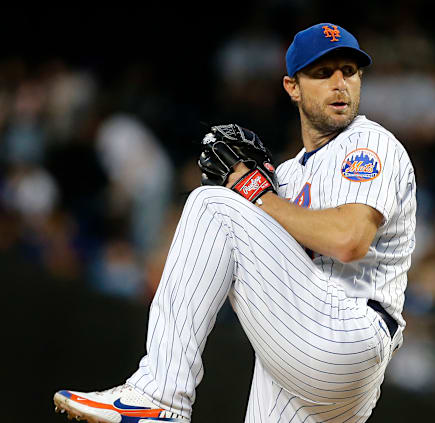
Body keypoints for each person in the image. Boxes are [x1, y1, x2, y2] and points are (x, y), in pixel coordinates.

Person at [53, 23, 416, 423]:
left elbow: (349, 240)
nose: (339, 83)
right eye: (322, 73)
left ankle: (158, 394)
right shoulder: (289, 176)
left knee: (213, 203)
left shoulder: (369, 141)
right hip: (305, 349)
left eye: (348, 70)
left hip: (349, 331)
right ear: (292, 87)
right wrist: (259, 191)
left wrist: (253, 192)